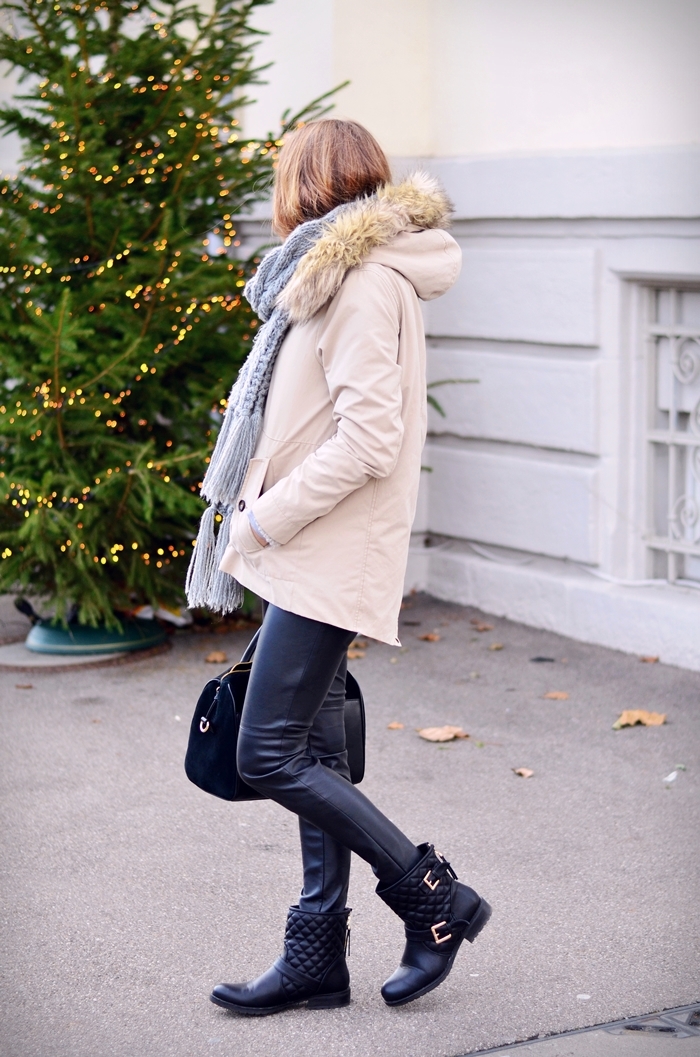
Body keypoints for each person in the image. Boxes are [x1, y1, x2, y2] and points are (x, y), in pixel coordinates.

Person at [194, 119, 491, 1014]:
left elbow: (368, 440)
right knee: (315, 750)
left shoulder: (359, 282)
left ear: (305, 185)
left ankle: (435, 898)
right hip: (310, 549)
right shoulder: (332, 275)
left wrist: (262, 518)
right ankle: (316, 956)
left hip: (324, 548)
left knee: (267, 750)